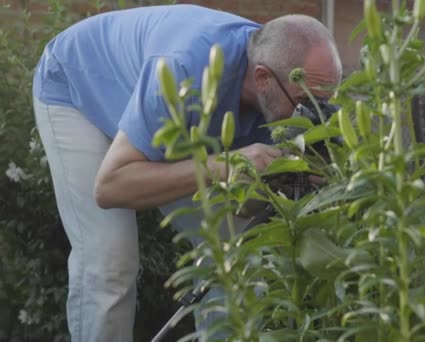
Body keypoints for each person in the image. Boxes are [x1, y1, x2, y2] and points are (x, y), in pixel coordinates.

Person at [32, 4, 342, 341]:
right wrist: (222, 166)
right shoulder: (186, 68)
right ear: (263, 78)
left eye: (323, 102)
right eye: (304, 101)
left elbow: (243, 208)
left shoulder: (282, 73)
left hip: (159, 115)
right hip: (78, 89)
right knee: (111, 259)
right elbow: (110, 187)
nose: (313, 115)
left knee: (234, 253)